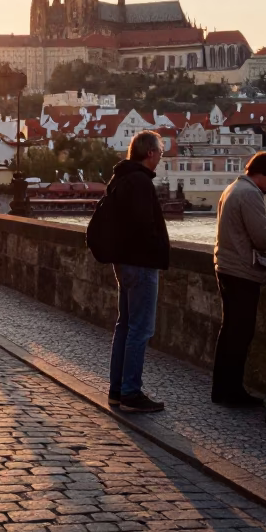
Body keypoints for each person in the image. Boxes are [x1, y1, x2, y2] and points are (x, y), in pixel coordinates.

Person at [212, 151, 266, 406]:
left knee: (229, 330)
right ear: (262, 172)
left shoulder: (232, 188)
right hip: (242, 271)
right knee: (240, 333)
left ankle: (221, 388)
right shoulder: (251, 194)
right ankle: (232, 391)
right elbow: (263, 239)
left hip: (226, 266)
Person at [105, 131, 170, 413]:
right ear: (150, 153)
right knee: (140, 329)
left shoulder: (120, 178)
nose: (160, 159)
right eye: (160, 154)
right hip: (141, 263)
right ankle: (131, 392)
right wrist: (158, 249)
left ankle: (117, 390)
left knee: (125, 326)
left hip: (122, 260)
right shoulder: (141, 182)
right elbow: (144, 227)